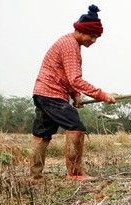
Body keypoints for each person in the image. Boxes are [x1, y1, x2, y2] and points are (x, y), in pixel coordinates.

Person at [30, 4, 117, 182]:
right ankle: (75, 173)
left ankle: (35, 176)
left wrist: (76, 96)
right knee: (75, 127)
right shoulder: (70, 46)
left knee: (42, 134)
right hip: (51, 93)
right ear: (82, 32)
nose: (94, 40)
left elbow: (68, 78)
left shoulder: (68, 42)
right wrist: (101, 95)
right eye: (92, 36)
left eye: (97, 37)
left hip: (43, 92)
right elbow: (75, 80)